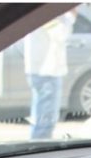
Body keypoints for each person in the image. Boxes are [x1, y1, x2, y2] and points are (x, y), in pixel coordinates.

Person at [24, 11, 76, 139]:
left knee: (42, 120)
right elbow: (60, 34)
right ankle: (38, 153)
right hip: (46, 71)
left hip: (43, 70)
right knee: (44, 124)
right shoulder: (44, 11)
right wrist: (72, 14)